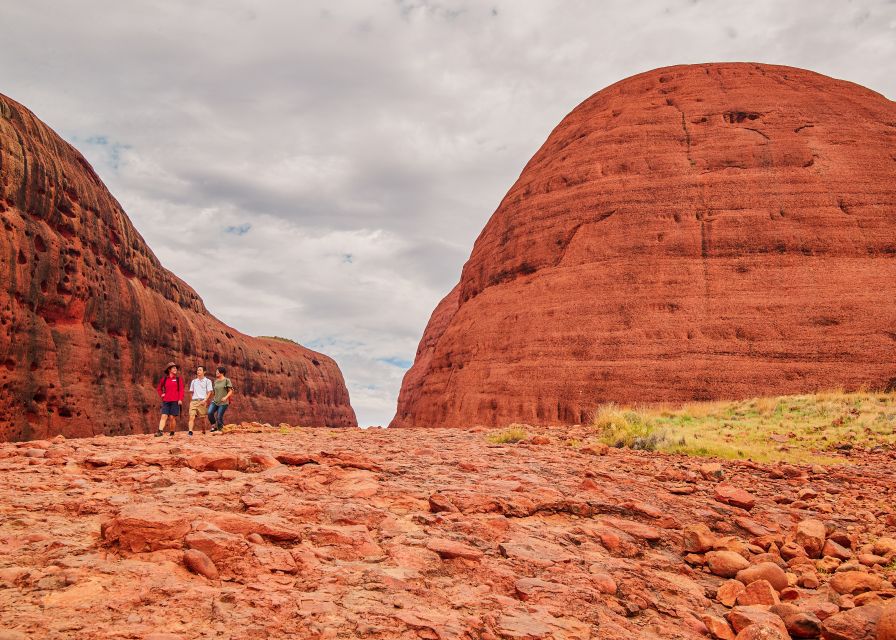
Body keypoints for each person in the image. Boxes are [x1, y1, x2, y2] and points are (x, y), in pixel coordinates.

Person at [155, 362, 183, 437]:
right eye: (173, 368)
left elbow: (181, 390)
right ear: (169, 370)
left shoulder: (178, 379)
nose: (175, 369)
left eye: (176, 368)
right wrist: (161, 394)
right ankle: (160, 431)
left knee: (171, 417)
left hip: (175, 401)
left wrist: (180, 399)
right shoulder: (164, 379)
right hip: (166, 401)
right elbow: (159, 388)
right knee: (164, 416)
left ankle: (172, 432)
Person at [187, 365, 214, 436]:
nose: (198, 371)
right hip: (194, 401)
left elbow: (209, 392)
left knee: (203, 419)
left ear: (204, 372)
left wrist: (205, 400)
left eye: (200, 370)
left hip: (202, 401)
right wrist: (191, 400)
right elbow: (191, 391)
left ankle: (204, 431)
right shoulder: (193, 381)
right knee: (191, 416)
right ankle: (190, 431)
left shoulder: (208, 381)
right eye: (197, 370)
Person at [207, 366, 234, 433]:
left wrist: (225, 397)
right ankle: (213, 426)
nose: (216, 373)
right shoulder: (216, 381)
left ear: (222, 373)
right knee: (209, 413)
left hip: (223, 402)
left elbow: (230, 391)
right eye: (216, 372)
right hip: (215, 401)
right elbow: (215, 392)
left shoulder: (227, 380)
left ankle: (221, 429)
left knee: (219, 417)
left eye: (217, 372)